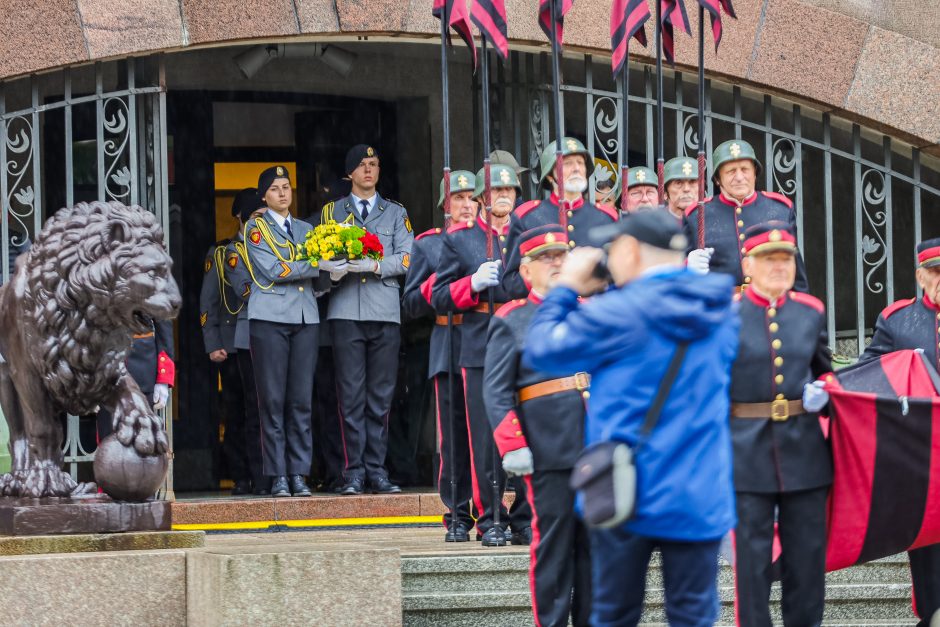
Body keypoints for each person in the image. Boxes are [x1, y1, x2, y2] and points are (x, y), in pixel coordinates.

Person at [525, 210, 738, 626]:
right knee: (694, 616)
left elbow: (541, 350)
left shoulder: (618, 312)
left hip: (625, 491)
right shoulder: (721, 310)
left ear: (628, 251)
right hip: (699, 490)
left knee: (615, 615)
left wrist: (567, 286)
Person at [484, 224, 592, 626]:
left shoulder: (590, 311)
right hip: (548, 450)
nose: (556, 264)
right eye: (545, 259)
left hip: (595, 446)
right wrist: (512, 443)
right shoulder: (512, 319)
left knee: (596, 550)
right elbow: (495, 390)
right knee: (553, 549)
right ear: (526, 271)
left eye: (562, 257)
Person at [730, 222, 832, 626]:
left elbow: (826, 371)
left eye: (786, 259)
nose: (779, 267)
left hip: (805, 453)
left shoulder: (811, 312)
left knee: (806, 564)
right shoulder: (727, 315)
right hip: (745, 454)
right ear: (747, 265)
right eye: (769, 259)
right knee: (752, 567)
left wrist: (824, 390)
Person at [432, 163, 531, 546]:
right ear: (481, 198)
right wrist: (470, 285)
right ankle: (491, 516)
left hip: (522, 338)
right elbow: (438, 295)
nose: (503, 195)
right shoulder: (461, 239)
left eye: (509, 189)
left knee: (527, 428)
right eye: (495, 190)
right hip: (479, 338)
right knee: (484, 436)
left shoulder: (527, 234)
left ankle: (524, 515)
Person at [244, 165, 344, 498]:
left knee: (301, 401)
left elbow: (317, 277)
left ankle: (299, 472)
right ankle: (278, 475)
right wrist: (319, 264)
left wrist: (336, 268)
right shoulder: (255, 229)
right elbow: (274, 269)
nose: (283, 193)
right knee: (272, 401)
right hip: (270, 319)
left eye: (286, 187)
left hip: (305, 319)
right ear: (264, 196)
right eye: (275, 188)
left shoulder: (305, 228)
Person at [857, 237, 940, 626]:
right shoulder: (897, 319)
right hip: (920, 458)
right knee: (928, 549)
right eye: (936, 272)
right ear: (921, 276)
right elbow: (870, 374)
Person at [326, 144, 414, 495]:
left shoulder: (395, 213)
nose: (368, 170)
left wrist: (377, 265)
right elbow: (319, 252)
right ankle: (353, 472)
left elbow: (408, 258)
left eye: (373, 164)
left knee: (380, 397)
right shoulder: (333, 212)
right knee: (350, 397)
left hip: (384, 312)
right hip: (346, 310)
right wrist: (331, 269)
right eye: (361, 165)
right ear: (350, 173)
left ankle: (377, 470)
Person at [402, 170, 478, 541]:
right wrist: (437, 286)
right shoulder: (429, 245)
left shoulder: (489, 241)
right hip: (449, 338)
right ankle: (458, 511)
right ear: (445, 204)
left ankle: (495, 508)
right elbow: (411, 303)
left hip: (486, 338)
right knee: (454, 436)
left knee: (491, 434)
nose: (466, 205)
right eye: (458, 198)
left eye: (471, 198)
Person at [684, 139, 808, 291]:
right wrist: (687, 267)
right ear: (717, 179)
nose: (739, 177)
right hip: (720, 308)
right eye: (731, 171)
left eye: (745, 169)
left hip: (768, 306)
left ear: (755, 173)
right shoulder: (697, 215)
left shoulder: (780, 208)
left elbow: (794, 269)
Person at [502, 139, 618, 299]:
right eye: (568, 163)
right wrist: (547, 278)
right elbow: (511, 283)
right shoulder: (526, 217)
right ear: (550, 175)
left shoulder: (606, 218)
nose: (576, 168)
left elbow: (619, 276)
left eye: (580, 162)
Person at [199, 189, 257, 495]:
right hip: (232, 344)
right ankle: (241, 475)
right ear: (240, 217)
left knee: (262, 412)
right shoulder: (222, 252)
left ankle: (263, 473)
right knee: (236, 413)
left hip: (264, 343)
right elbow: (208, 302)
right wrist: (212, 342)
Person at [223, 191, 268, 495]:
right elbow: (243, 290)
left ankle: (278, 474)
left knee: (277, 410)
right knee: (249, 410)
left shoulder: (281, 243)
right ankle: (252, 475)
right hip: (243, 337)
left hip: (281, 332)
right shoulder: (233, 250)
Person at [662, 156, 698, 221]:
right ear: (665, 193)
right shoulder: (656, 225)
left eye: (692, 182)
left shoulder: (712, 220)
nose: (686, 189)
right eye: (678, 183)